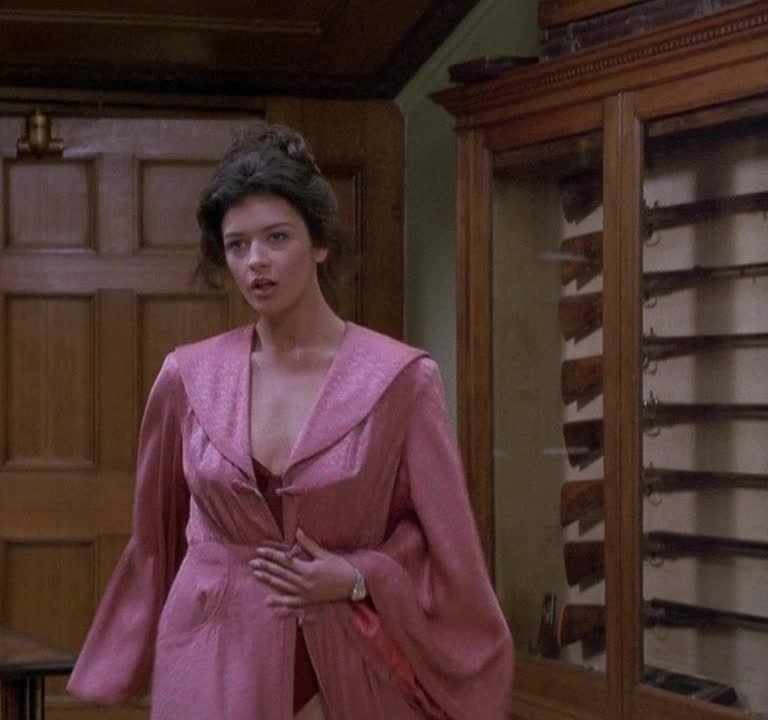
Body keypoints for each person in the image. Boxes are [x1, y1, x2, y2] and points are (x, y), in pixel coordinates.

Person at [66, 125, 513, 719]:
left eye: (277, 237)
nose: (257, 261)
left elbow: (447, 549)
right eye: (237, 245)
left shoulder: (400, 380)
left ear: (319, 243)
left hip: (347, 660)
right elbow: (155, 540)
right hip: (211, 657)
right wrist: (122, 660)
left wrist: (356, 575)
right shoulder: (187, 379)